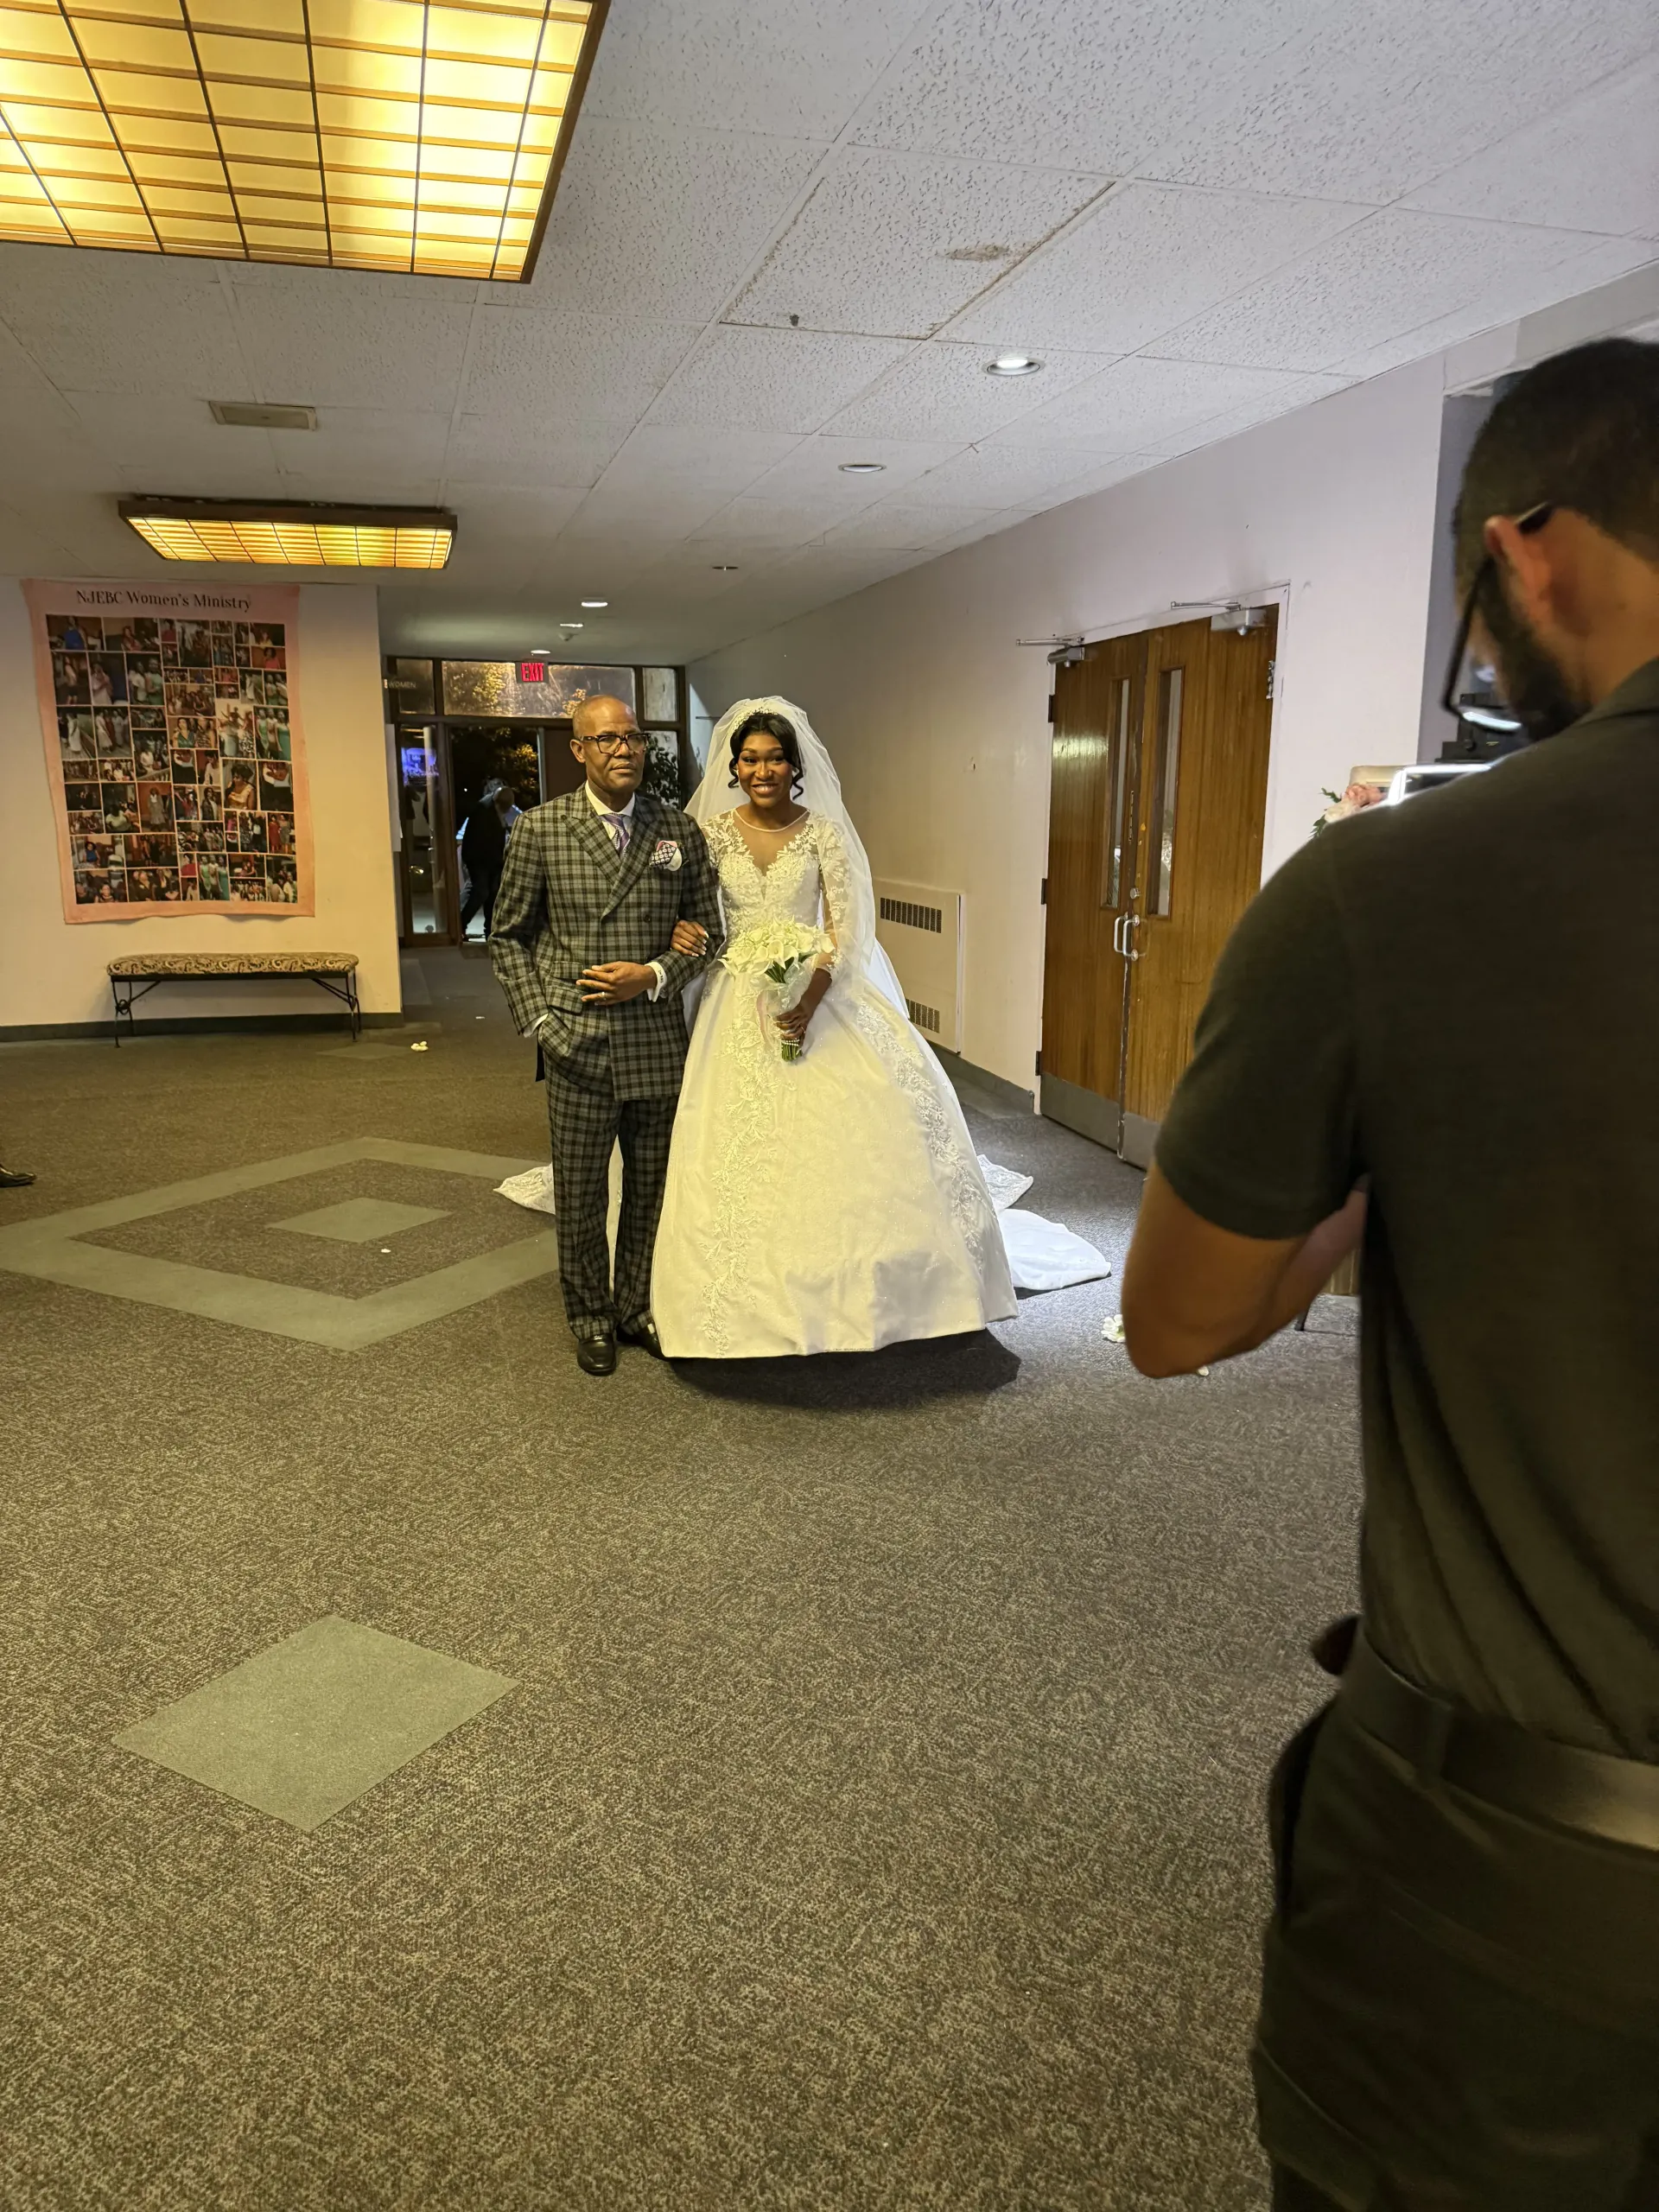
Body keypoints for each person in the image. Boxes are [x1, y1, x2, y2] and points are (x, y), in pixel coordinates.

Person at [1119, 337, 1659, 2212]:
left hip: (1533, 1873)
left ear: (1527, 551)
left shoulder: (1394, 887)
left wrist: (1370, 1184)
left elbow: (1177, 1317)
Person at [651, 700, 1016, 1359]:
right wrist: (685, 932)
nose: (762, 770)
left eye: (774, 758)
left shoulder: (823, 832)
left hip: (818, 989)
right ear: (734, 767)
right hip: (736, 997)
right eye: (750, 759)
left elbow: (846, 929)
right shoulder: (709, 834)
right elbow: (693, 912)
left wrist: (810, 996)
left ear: (795, 766)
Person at [488, 693, 722, 1376]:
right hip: (576, 1040)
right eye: (608, 739)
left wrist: (654, 972)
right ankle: (590, 1314)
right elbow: (508, 938)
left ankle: (635, 1307)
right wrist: (541, 1021)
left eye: (634, 738)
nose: (625, 750)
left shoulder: (678, 829)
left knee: (651, 1187)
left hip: (655, 1038)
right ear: (579, 750)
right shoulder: (542, 829)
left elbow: (709, 930)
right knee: (582, 1191)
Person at [457, 778, 519, 939]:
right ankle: (460, 925)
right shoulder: (484, 812)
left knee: (489, 893)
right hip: (479, 858)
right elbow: (483, 843)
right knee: (481, 892)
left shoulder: (491, 807)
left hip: (486, 858)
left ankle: (488, 930)